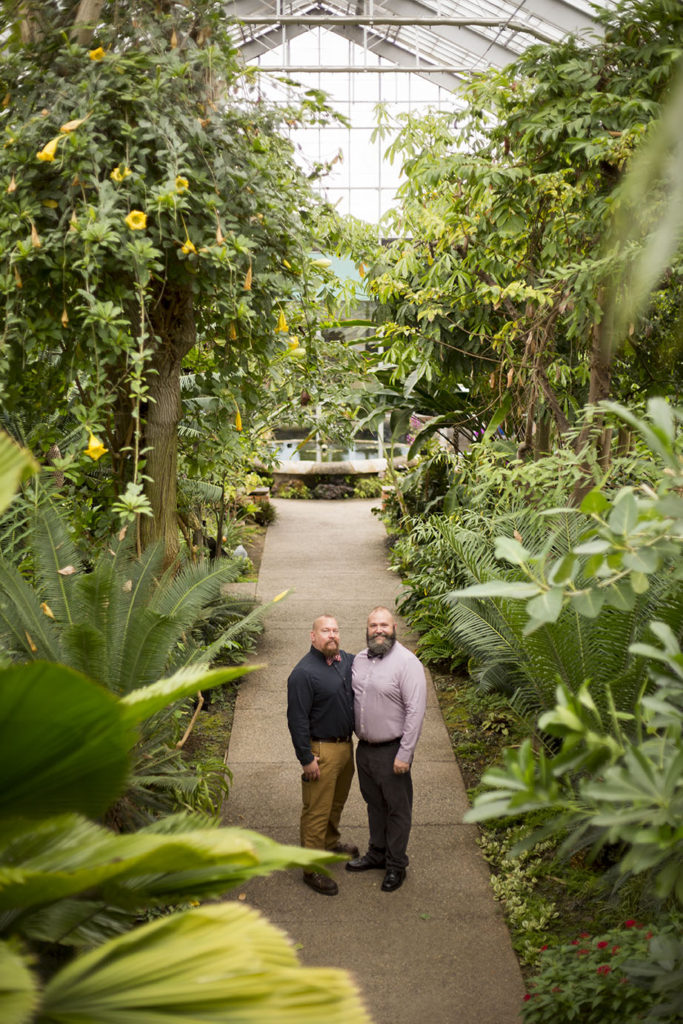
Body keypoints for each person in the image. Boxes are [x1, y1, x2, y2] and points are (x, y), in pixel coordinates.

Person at [347, 606, 427, 892]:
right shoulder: (359, 660)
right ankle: (377, 854)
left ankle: (396, 865)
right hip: (365, 749)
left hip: (392, 751)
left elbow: (415, 712)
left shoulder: (407, 664)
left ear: (394, 628)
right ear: (367, 629)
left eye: (384, 625)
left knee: (397, 810)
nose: (378, 630)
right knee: (374, 805)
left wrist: (405, 754)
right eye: (373, 625)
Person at [286, 613, 359, 895]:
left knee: (335, 803)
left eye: (336, 630)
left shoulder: (346, 662)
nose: (332, 635)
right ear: (312, 636)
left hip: (345, 747)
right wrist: (306, 758)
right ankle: (312, 869)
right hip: (320, 751)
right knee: (316, 810)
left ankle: (329, 843)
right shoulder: (303, 674)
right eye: (325, 631)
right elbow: (297, 719)